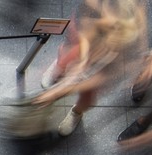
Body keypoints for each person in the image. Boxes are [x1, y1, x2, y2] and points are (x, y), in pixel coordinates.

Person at [36, 0, 146, 136]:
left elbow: (101, 77)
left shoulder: (127, 44)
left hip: (101, 63)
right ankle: (59, 67)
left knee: (86, 97)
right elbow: (85, 31)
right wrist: (80, 61)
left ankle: (77, 112)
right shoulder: (92, 10)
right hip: (86, 39)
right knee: (68, 55)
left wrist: (62, 90)